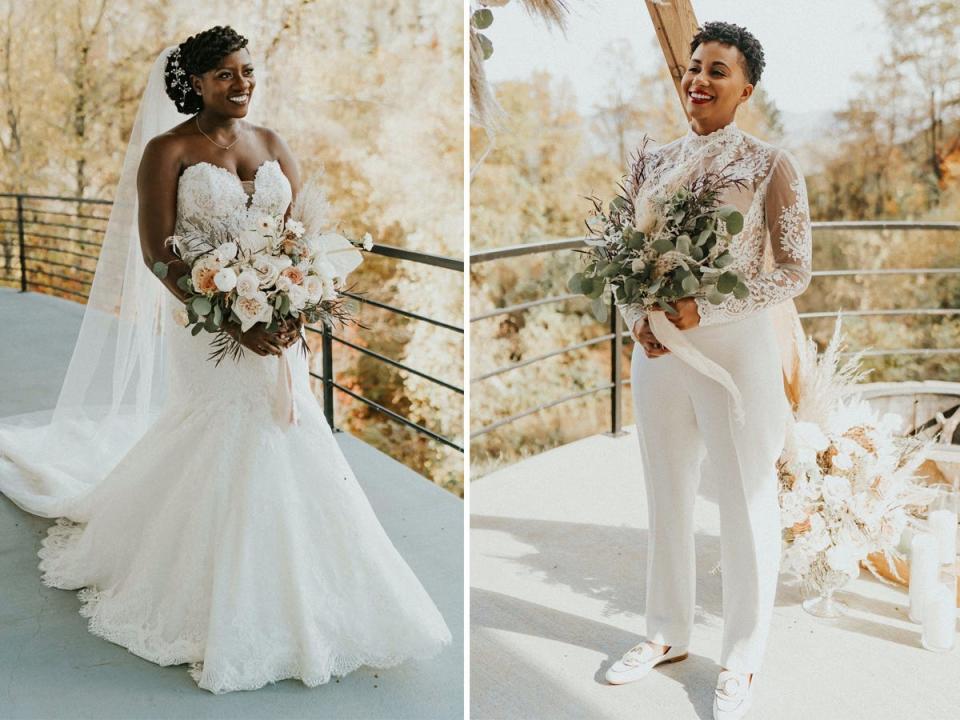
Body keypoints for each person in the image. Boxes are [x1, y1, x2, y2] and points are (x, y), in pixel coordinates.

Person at [0, 26, 450, 694]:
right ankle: (215, 593)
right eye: (226, 75)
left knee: (288, 432)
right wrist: (227, 318)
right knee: (226, 434)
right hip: (204, 327)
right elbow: (157, 251)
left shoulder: (272, 145)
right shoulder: (169, 149)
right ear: (196, 81)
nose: (242, 85)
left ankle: (300, 584)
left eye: (248, 72)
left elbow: (304, 240)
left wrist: (295, 303)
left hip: (279, 329)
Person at [603, 21, 812, 720]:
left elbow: (794, 270)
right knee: (665, 490)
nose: (700, 80)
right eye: (695, 67)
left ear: (745, 88)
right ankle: (665, 633)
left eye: (718, 71)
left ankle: (744, 655)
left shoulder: (769, 164)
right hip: (657, 353)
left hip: (734, 354)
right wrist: (637, 315)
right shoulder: (650, 161)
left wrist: (707, 314)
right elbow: (624, 253)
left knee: (746, 499)